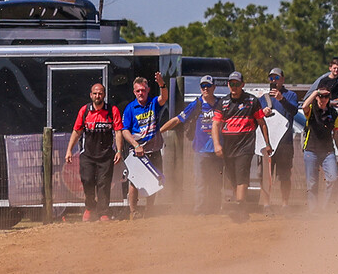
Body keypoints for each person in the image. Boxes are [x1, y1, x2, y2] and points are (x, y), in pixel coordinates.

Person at [163, 77, 222, 215]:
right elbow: (178, 119)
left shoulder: (220, 103)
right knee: (200, 180)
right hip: (200, 149)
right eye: (203, 86)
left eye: (208, 86)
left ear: (214, 87)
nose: (206, 89)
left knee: (216, 181)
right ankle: (200, 209)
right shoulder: (197, 104)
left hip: (217, 148)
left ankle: (215, 208)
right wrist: (159, 131)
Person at [68, 79, 118, 221]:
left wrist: (119, 150)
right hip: (88, 154)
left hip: (106, 155)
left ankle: (103, 212)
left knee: (103, 184)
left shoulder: (112, 110)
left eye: (100, 93)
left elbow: (119, 131)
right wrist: (69, 150)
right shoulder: (84, 111)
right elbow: (76, 131)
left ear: (104, 95)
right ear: (91, 95)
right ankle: (90, 207)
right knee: (87, 180)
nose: (98, 96)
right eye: (95, 93)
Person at [215, 72, 264, 217]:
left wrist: (267, 143)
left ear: (242, 84)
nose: (234, 87)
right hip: (229, 146)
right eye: (231, 84)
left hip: (246, 145)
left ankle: (240, 207)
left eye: (237, 84)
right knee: (232, 178)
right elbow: (215, 124)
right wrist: (217, 144)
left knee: (242, 175)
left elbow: (262, 122)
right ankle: (240, 204)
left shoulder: (251, 100)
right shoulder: (223, 102)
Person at [117, 75, 164, 216]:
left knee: (154, 181)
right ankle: (133, 211)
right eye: (138, 91)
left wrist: (162, 85)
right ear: (134, 92)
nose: (140, 93)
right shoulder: (130, 108)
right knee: (134, 182)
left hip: (154, 149)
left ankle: (150, 210)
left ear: (148, 90)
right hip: (137, 152)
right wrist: (136, 145)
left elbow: (164, 98)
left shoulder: (153, 103)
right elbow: (124, 130)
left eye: (143, 90)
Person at [299, 85, 338, 210]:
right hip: (311, 150)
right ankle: (313, 210)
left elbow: (336, 133)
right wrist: (315, 92)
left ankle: (325, 208)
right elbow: (303, 106)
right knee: (312, 183)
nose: (323, 99)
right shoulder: (311, 109)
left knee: (333, 178)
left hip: (327, 151)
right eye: (321, 96)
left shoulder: (333, 113)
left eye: (326, 96)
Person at [261, 71, 300, 212]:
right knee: (267, 176)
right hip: (268, 143)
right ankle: (266, 205)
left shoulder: (291, 95)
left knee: (284, 176)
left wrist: (282, 99)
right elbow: (257, 118)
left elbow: (294, 111)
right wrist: (263, 112)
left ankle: (285, 205)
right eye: (271, 77)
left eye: (276, 77)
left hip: (285, 143)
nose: (274, 80)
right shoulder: (264, 98)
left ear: (282, 79)